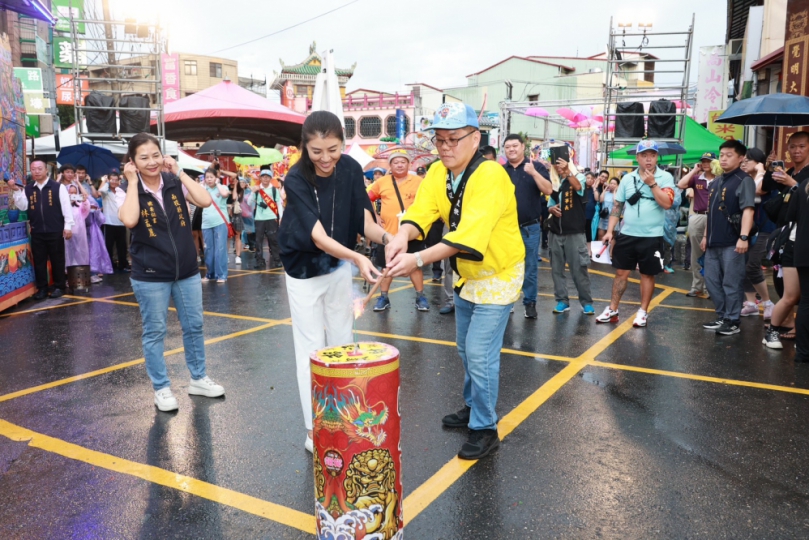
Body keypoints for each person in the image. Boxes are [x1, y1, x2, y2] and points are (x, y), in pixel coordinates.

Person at [386, 102, 524, 460]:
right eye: (439, 140)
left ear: (475, 138)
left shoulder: (491, 175)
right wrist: (402, 235)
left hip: (499, 274)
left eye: (453, 139)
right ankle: (473, 406)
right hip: (466, 274)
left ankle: (485, 426)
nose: (445, 147)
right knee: (465, 349)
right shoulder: (437, 172)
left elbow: (467, 235)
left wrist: (415, 258)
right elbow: (422, 212)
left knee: (479, 351)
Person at [278, 111, 387, 453]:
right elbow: (319, 237)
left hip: (338, 265)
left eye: (334, 149)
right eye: (316, 151)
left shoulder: (353, 169)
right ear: (304, 148)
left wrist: (389, 239)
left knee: (342, 342)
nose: (326, 159)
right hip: (303, 269)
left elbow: (364, 220)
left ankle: (343, 417)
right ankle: (314, 430)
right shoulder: (295, 179)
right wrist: (357, 257)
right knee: (310, 349)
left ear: (343, 142)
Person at [119, 132, 223, 412]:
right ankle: (162, 388)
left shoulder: (174, 182)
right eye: (143, 157)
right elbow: (129, 219)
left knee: (194, 326)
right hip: (150, 273)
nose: (151, 162)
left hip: (186, 270)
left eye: (155, 155)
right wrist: (131, 182)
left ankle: (199, 378)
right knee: (155, 331)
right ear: (132, 162)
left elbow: (204, 201)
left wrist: (179, 171)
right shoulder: (129, 187)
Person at [597, 140, 675, 327]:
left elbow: (667, 203)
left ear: (657, 157)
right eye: (644, 155)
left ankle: (642, 312)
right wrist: (609, 231)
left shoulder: (665, 177)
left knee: (647, 274)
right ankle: (613, 310)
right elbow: (618, 206)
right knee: (621, 272)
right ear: (638, 157)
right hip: (628, 234)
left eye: (653, 155)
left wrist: (653, 184)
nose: (649, 159)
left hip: (652, 236)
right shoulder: (627, 179)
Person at [699, 140, 756, 336]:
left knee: (731, 282)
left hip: (732, 241)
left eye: (729, 155)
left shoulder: (744, 180)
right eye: (721, 154)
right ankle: (723, 315)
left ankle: (733, 320)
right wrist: (706, 235)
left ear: (741, 158)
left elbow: (748, 210)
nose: (723, 158)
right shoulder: (716, 182)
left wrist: (743, 237)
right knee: (712, 281)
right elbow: (710, 212)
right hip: (713, 241)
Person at [760, 132, 809, 348]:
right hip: (789, 238)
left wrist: (793, 183)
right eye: (793, 147)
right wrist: (770, 168)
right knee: (790, 292)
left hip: (802, 237)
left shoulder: (804, 174)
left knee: (800, 294)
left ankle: (798, 329)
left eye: (802, 146)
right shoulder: (790, 171)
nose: (797, 151)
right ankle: (774, 330)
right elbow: (765, 188)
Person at [367, 149, 429, 312]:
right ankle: (384, 297)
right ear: (390, 165)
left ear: (409, 164)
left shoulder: (418, 181)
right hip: (388, 235)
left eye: (403, 162)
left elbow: (427, 204)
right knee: (386, 267)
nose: (400, 165)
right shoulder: (382, 182)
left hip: (412, 234)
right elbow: (367, 199)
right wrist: (376, 216)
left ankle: (420, 297)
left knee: (415, 266)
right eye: (396, 162)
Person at [537, 155, 595, 315]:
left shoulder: (579, 177)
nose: (558, 168)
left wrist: (568, 173)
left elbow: (578, 188)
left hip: (575, 232)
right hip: (556, 232)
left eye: (561, 164)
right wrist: (551, 209)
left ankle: (587, 302)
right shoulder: (555, 182)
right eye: (556, 165)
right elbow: (550, 203)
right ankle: (562, 301)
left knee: (579, 270)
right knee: (557, 270)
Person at [502, 133, 550, 318]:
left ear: (523, 147)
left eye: (515, 145)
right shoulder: (501, 170)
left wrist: (534, 173)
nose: (511, 149)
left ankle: (530, 303)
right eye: (508, 147)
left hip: (529, 227)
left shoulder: (535, 166)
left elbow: (548, 189)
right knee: (505, 266)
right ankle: (507, 302)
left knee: (529, 267)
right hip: (505, 228)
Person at [16, 160, 74, 299]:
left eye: (39, 168)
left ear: (46, 170)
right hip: (37, 231)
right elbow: (23, 206)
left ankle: (59, 286)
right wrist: (17, 192)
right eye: (33, 169)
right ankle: (42, 288)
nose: (36, 171)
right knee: (39, 260)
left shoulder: (57, 187)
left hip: (55, 230)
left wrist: (68, 226)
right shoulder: (29, 188)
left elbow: (67, 207)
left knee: (57, 260)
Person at [740, 148, 776, 319]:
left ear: (758, 162)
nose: (744, 162)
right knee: (745, 265)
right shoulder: (747, 178)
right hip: (749, 228)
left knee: (752, 265)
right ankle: (751, 303)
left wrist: (762, 171)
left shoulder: (766, 179)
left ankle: (768, 302)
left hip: (766, 228)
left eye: (748, 160)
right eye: (744, 160)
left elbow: (758, 190)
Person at [677, 152, 716, 297]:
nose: (706, 164)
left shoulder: (720, 178)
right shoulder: (696, 178)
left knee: (713, 253)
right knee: (696, 253)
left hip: (715, 217)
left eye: (709, 161)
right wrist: (694, 170)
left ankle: (710, 287)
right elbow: (681, 184)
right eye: (703, 161)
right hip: (699, 216)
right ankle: (697, 286)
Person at [788, 171, 809, 362]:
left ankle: (803, 352)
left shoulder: (803, 185)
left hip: (803, 249)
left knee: (806, 302)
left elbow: (790, 214)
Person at [247, 170, 284, 269]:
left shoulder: (274, 190)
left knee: (274, 240)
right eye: (263, 176)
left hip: (272, 218)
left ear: (270, 178)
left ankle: (277, 260)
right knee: (258, 241)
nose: (265, 179)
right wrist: (252, 192)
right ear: (260, 178)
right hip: (259, 219)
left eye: (267, 177)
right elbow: (249, 203)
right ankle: (260, 261)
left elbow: (278, 204)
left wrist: (280, 217)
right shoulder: (257, 190)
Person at [200, 168, 231, 283]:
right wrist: (202, 185)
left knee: (220, 249)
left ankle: (222, 275)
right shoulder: (204, 189)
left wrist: (218, 183)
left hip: (220, 222)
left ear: (216, 178)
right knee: (208, 249)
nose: (209, 179)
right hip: (206, 223)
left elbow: (224, 194)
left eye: (211, 177)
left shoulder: (223, 188)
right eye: (207, 177)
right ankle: (210, 274)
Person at [98, 171, 130, 273]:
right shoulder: (106, 192)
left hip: (121, 222)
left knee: (122, 246)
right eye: (112, 180)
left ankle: (122, 264)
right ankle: (109, 265)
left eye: (116, 180)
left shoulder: (121, 191)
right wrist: (106, 182)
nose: (114, 182)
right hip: (109, 222)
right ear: (108, 180)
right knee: (108, 246)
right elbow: (100, 191)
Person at [64, 182, 91, 287]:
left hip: (79, 235)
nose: (72, 195)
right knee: (67, 255)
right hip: (66, 235)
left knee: (80, 254)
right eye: (70, 193)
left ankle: (80, 277)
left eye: (75, 193)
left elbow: (86, 209)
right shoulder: (63, 207)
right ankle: (68, 278)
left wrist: (84, 201)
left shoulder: (80, 206)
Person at [229, 176, 246, 265]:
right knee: (228, 237)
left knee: (237, 237)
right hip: (230, 215)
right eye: (241, 182)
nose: (242, 184)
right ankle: (226, 256)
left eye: (243, 182)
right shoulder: (229, 188)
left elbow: (234, 196)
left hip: (237, 216)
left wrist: (235, 185)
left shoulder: (241, 192)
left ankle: (238, 256)